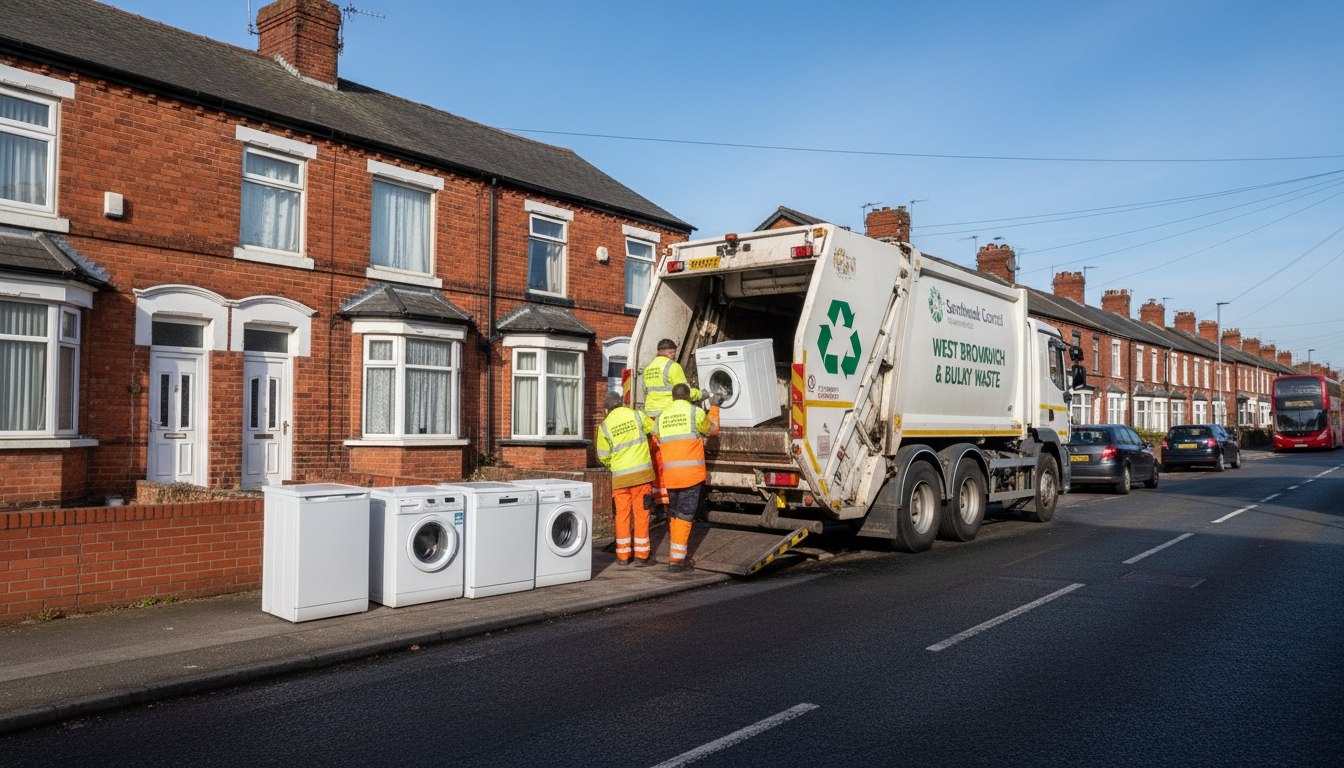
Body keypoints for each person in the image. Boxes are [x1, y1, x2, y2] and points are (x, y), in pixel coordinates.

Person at [653, 383, 720, 572]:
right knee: (684, 515)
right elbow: (711, 430)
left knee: (674, 514)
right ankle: (677, 561)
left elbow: (658, 440)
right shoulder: (695, 412)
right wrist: (714, 406)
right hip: (690, 475)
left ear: (673, 397)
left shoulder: (661, 417)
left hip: (671, 476)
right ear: (689, 397)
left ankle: (675, 555)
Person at [595, 392, 656, 566]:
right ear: (622, 403)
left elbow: (603, 456)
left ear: (607, 408)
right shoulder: (636, 415)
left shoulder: (605, 426)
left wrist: (614, 466)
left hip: (620, 479)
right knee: (642, 515)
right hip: (641, 478)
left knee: (621, 516)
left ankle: (623, 557)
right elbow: (654, 429)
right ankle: (641, 557)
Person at [642, 339, 702, 509]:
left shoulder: (648, 369)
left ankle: (657, 496)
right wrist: (702, 394)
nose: (674, 356)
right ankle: (667, 499)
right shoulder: (672, 366)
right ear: (671, 352)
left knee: (655, 458)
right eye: (674, 353)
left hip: (651, 418)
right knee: (668, 458)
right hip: (666, 417)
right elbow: (684, 391)